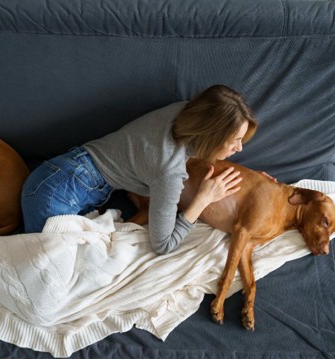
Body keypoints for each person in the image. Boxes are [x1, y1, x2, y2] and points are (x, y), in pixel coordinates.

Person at [21, 84, 258, 255]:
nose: (239, 148)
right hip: (56, 194)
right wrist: (203, 199)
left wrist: (256, 182)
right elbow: (163, 245)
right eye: (235, 140)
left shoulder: (184, 111)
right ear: (211, 136)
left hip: (60, 174)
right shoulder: (169, 171)